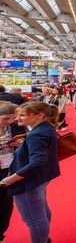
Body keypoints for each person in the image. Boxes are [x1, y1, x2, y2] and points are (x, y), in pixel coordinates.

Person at [0, 102, 60, 243]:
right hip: (39, 177)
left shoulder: (37, 133)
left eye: (22, 115)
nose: (17, 119)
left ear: (39, 115)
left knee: (34, 219)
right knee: (40, 212)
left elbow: (37, 162)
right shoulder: (45, 128)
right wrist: (24, 144)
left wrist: (10, 179)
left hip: (28, 180)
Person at [0, 101, 26, 243]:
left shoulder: (14, 127)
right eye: (5, 118)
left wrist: (19, 144)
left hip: (8, 169)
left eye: (12, 118)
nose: (9, 121)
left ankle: (1, 234)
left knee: (6, 203)